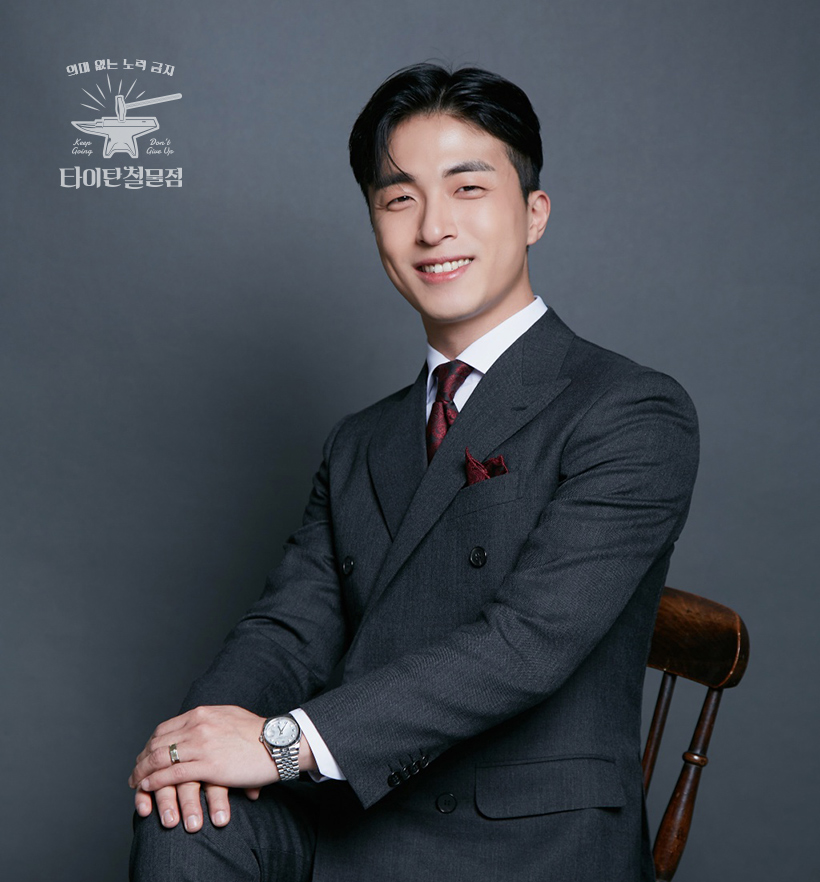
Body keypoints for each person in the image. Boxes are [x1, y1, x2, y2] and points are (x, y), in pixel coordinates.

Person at [129, 63, 699, 881]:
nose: (433, 227)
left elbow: (526, 644)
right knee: (185, 819)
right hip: (357, 816)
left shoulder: (629, 409)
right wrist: (195, 743)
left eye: (468, 189)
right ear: (375, 225)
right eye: (399, 199)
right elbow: (289, 629)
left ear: (534, 213)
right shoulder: (360, 441)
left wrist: (282, 743)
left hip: (524, 842)